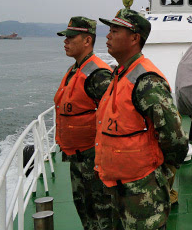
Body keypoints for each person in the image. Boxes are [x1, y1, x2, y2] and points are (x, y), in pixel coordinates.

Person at [96, 7, 188, 230]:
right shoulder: (120, 73)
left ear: (135, 38)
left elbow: (175, 139)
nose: (108, 35)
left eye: (116, 30)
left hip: (142, 192)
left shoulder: (146, 81)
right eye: (109, 30)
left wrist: (160, 173)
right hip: (117, 186)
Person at [54, 16, 113, 230]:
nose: (65, 41)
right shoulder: (74, 70)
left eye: (71, 37)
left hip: (93, 161)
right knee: (85, 212)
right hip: (77, 159)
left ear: (87, 40)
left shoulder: (97, 74)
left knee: (102, 214)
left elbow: (114, 113)